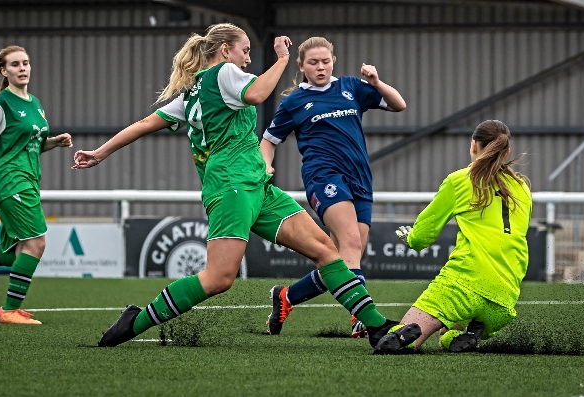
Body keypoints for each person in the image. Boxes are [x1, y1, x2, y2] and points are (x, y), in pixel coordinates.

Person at [72, 23, 420, 352]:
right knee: (219, 278)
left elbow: (146, 123)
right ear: (225, 50)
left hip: (258, 187)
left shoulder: (193, 93)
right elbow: (255, 95)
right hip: (231, 188)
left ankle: (376, 327)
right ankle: (135, 321)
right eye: (245, 51)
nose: (249, 58)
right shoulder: (224, 73)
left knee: (327, 250)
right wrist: (283, 59)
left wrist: (100, 153)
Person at [260, 37, 406, 338]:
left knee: (343, 258)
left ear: (333, 62)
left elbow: (398, 105)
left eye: (325, 61)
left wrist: (377, 82)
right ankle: (362, 316)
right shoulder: (294, 102)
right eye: (313, 63)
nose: (320, 67)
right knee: (351, 243)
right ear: (301, 66)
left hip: (360, 179)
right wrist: (266, 166)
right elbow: (269, 140)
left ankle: (286, 297)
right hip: (323, 176)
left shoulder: (352, 87)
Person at [373, 120, 532, 354]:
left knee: (393, 343)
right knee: (451, 329)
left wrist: (411, 239)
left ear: (473, 145)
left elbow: (421, 238)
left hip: (464, 283)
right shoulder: (522, 187)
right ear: (506, 151)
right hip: (505, 294)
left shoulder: (460, 180)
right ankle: (462, 334)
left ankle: (405, 332)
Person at [0, 45, 73, 324]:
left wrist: (54, 142)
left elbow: (27, 145)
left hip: (28, 180)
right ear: (4, 71)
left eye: (25, 63)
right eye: (15, 65)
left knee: (15, 254)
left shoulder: (35, 103)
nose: (22, 68)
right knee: (36, 244)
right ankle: (9, 310)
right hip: (10, 181)